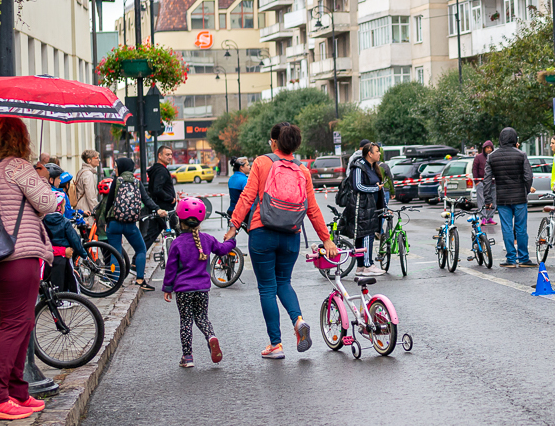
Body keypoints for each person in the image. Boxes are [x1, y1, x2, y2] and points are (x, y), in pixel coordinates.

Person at [227, 123, 337, 359]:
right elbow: (312, 209)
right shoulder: (303, 171)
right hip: (291, 234)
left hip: (262, 231)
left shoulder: (261, 162)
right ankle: (298, 320)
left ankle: (276, 345)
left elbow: (247, 197)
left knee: (267, 287)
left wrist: (234, 226)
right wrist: (326, 240)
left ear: (274, 142)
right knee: (284, 282)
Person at [0, 117, 63, 420]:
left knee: (21, 321)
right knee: (15, 324)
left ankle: (17, 391)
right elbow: (47, 204)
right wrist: (42, 179)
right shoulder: (17, 167)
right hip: (20, 254)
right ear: (21, 140)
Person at [162, 196, 234, 367]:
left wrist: (167, 288)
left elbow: (171, 269)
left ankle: (187, 357)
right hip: (202, 289)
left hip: (183, 290)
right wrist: (231, 239)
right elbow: (223, 250)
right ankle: (211, 336)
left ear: (179, 221)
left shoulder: (177, 243)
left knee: (186, 321)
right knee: (202, 318)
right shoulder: (207, 239)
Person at [487, 128, 535, 268]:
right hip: (519, 197)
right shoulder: (521, 155)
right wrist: (525, 190)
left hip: (502, 198)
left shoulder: (492, 157)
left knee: (507, 228)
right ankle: (524, 258)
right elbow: (528, 176)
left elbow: (487, 180)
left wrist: (488, 199)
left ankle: (511, 259)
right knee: (521, 229)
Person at [341, 143, 390, 274]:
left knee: (363, 235)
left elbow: (379, 189)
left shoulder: (374, 167)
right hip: (361, 206)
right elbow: (357, 186)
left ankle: (361, 267)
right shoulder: (359, 167)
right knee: (366, 234)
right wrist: (375, 188)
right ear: (370, 153)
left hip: (371, 206)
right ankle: (367, 265)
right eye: (377, 151)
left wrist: (384, 206)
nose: (379, 153)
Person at [101, 157, 150, 280]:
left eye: (116, 167)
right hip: (130, 224)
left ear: (122, 168)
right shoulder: (137, 182)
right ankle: (139, 278)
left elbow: (109, 202)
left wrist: (107, 220)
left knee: (115, 253)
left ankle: (115, 281)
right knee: (140, 249)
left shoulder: (116, 181)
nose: (115, 169)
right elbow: (146, 199)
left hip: (114, 223)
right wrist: (157, 209)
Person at [144, 148, 179, 251]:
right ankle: (183, 260)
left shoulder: (157, 169)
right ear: (159, 155)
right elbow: (157, 189)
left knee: (151, 235)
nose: (170, 157)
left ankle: (136, 260)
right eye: (167, 154)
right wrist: (170, 198)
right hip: (164, 209)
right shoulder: (161, 170)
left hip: (159, 207)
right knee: (178, 233)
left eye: (171, 154)